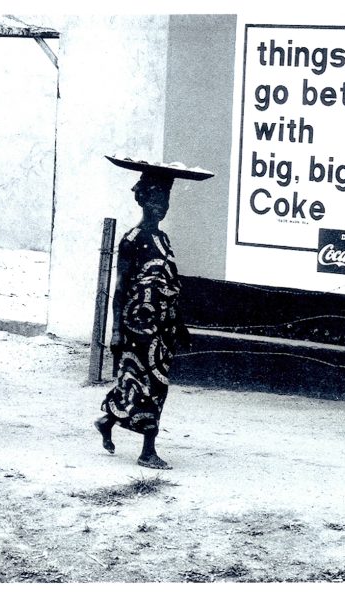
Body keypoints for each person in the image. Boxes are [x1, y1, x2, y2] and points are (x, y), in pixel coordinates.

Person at [94, 156, 213, 470]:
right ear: (143, 197)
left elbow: (169, 286)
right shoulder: (132, 240)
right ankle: (147, 450)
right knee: (152, 384)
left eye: (166, 197)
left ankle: (108, 421)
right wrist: (116, 330)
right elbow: (120, 289)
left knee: (137, 382)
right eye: (157, 196)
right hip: (138, 327)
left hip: (162, 330)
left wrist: (180, 324)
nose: (162, 203)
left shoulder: (162, 239)